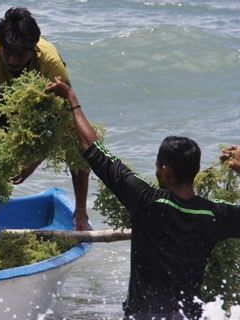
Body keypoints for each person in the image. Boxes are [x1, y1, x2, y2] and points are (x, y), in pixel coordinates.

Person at [46, 76, 240, 320]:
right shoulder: (214, 216)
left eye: (158, 166)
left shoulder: (146, 200)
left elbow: (94, 150)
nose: (156, 170)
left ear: (166, 171)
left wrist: (72, 101)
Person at [0, 7, 90, 230]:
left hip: (42, 99)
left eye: (20, 55)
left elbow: (65, 118)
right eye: (8, 53)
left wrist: (33, 161)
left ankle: (81, 215)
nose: (13, 61)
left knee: (79, 140)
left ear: (33, 50)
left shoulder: (50, 65)